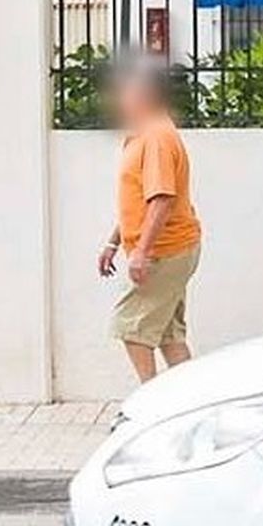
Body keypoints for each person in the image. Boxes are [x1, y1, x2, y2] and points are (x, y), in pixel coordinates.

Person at [97, 57, 204, 383]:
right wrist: (114, 242)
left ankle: (152, 403)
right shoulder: (143, 135)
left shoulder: (157, 136)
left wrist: (142, 252)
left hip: (166, 250)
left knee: (131, 328)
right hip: (171, 248)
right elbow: (139, 201)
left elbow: (161, 199)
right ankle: (192, 405)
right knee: (170, 338)